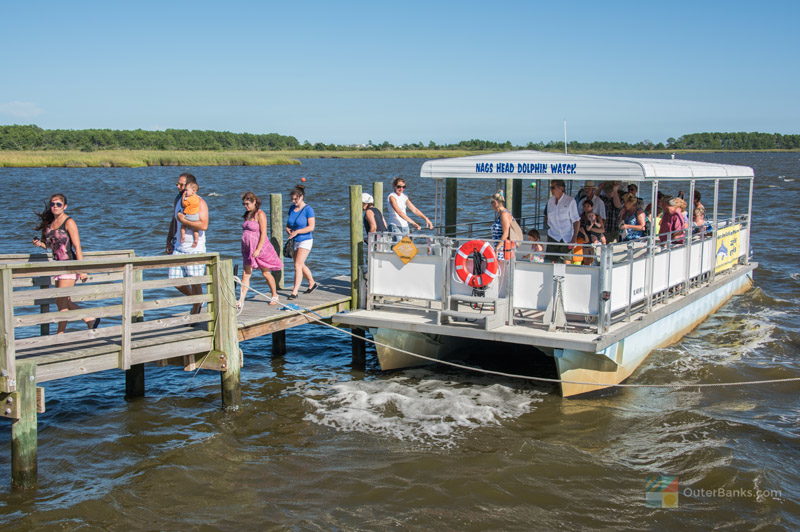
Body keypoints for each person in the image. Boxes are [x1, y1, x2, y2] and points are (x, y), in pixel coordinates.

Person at [32, 194, 99, 333]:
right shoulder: (49, 224)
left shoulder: (69, 222)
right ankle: (89, 318)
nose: (55, 207)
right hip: (57, 265)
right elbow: (52, 246)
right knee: (61, 301)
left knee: (61, 301)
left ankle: (60, 334)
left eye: (58, 204)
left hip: (69, 265)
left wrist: (82, 270)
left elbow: (77, 247)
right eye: (52, 204)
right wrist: (40, 244)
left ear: (65, 206)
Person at [167, 173, 208, 314]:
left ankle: (196, 307)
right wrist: (168, 240)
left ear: (191, 186)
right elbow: (173, 221)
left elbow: (204, 225)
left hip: (194, 248)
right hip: (179, 246)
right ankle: (198, 300)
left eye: (181, 184)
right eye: (177, 184)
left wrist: (184, 221)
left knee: (196, 281)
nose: (178, 186)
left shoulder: (200, 202)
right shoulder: (178, 200)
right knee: (174, 280)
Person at [237, 192, 281, 310]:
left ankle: (275, 295)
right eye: (244, 204)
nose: (245, 206)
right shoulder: (247, 214)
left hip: (259, 248)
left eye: (247, 204)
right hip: (247, 249)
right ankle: (241, 300)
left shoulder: (260, 214)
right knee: (246, 274)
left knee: (265, 273)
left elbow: (263, 233)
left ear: (254, 202)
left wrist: (258, 249)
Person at [285, 184, 318, 300]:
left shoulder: (308, 209)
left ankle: (294, 292)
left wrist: (298, 231)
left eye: (296, 199)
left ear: (301, 196)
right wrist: (288, 229)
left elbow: (311, 227)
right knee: (300, 264)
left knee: (297, 265)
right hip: (295, 240)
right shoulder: (291, 208)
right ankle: (312, 282)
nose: (294, 201)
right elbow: (289, 224)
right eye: (292, 199)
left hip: (306, 240)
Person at [545, 179, 580, 263]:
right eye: (550, 187)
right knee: (551, 263)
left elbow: (576, 220)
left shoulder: (570, 201)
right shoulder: (550, 201)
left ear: (561, 188)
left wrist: (574, 238)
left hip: (567, 237)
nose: (551, 190)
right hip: (553, 235)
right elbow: (547, 216)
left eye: (553, 187)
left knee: (566, 263)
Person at [490, 191, 515, 259]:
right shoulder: (501, 214)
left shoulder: (504, 214)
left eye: (491, 202)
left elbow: (506, 233)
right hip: (499, 247)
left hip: (502, 250)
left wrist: (497, 247)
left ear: (496, 203)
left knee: (500, 269)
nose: (491, 205)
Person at [179, 181, 202, 248]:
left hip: (188, 215)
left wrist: (183, 197)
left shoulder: (188, 199)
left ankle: (183, 236)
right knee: (195, 230)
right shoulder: (198, 198)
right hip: (196, 216)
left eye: (186, 190)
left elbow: (183, 205)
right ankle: (196, 240)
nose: (185, 192)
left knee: (183, 226)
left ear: (193, 191)